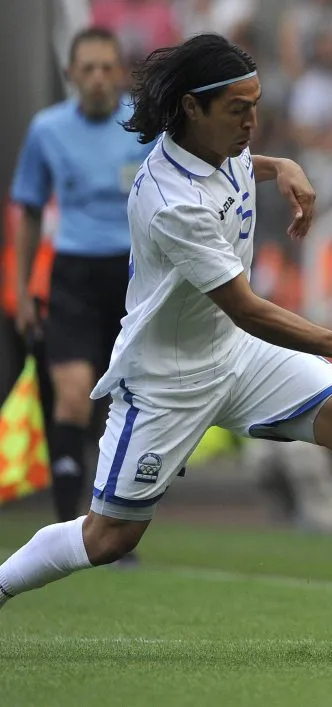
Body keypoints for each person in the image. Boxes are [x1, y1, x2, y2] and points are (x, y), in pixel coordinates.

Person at [0, 33, 332, 656]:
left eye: (256, 105)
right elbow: (246, 309)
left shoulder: (219, 145)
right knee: (109, 539)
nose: (252, 122)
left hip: (233, 357)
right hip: (169, 380)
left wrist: (281, 166)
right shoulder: (170, 199)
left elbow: (244, 165)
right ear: (191, 108)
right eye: (239, 109)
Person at [11, 28, 154, 526]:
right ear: (71, 75)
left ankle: (115, 521)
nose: (97, 79)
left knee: (126, 400)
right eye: (87, 69)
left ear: (119, 72)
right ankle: (67, 521)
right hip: (72, 273)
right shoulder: (47, 130)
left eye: (106, 68)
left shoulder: (145, 124)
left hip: (135, 278)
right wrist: (24, 290)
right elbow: (28, 210)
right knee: (73, 392)